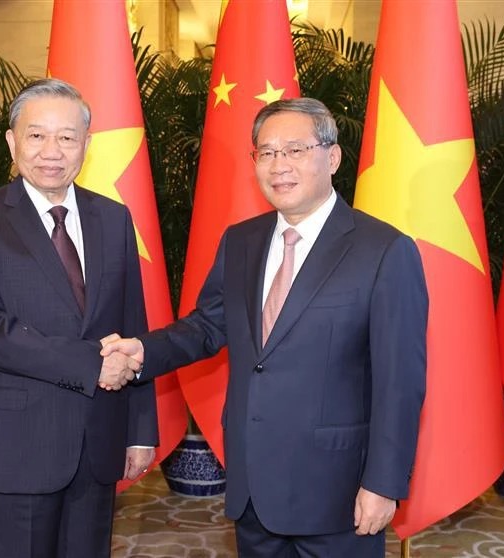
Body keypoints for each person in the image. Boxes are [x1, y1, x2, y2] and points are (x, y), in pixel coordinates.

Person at [101, 98, 428, 558]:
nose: (279, 165)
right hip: (254, 486)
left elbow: (400, 384)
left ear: (331, 157)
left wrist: (383, 484)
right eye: (266, 152)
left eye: (294, 150)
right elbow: (208, 327)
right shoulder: (242, 241)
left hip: (338, 493)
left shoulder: (384, 251)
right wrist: (143, 351)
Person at [0, 78, 158, 558]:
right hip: (20, 444)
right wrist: (89, 364)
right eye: (36, 135)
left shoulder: (113, 218)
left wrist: (141, 430)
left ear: (86, 144)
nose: (52, 150)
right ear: (11, 140)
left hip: (100, 441)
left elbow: (134, 326)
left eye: (67, 137)